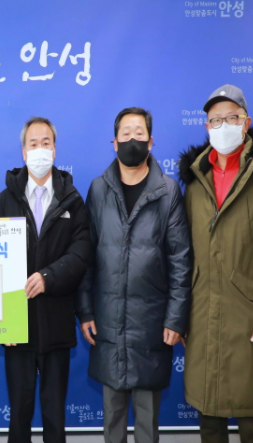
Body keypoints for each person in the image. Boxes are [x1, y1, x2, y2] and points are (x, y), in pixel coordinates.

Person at [179, 84, 253, 443]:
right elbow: (184, 254)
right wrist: (182, 315)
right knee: (209, 424)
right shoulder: (196, 179)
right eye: (215, 120)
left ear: (246, 122)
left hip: (251, 321)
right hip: (202, 317)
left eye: (231, 118)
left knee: (251, 426)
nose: (223, 125)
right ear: (206, 126)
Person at [76, 107, 191, 443]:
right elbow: (86, 256)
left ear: (151, 142)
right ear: (114, 142)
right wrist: (85, 310)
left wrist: (176, 318)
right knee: (112, 421)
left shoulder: (168, 191)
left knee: (146, 423)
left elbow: (181, 260)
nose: (132, 140)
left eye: (139, 133)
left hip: (152, 326)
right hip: (108, 322)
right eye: (125, 134)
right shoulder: (98, 189)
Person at [0, 116, 90, 443]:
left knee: (54, 415)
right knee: (19, 414)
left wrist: (48, 277)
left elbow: (80, 253)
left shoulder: (72, 199)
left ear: (55, 149)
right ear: (23, 152)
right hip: (17, 328)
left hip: (56, 323)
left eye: (45, 143)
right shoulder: (5, 200)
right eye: (33, 144)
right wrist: (3, 323)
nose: (39, 149)